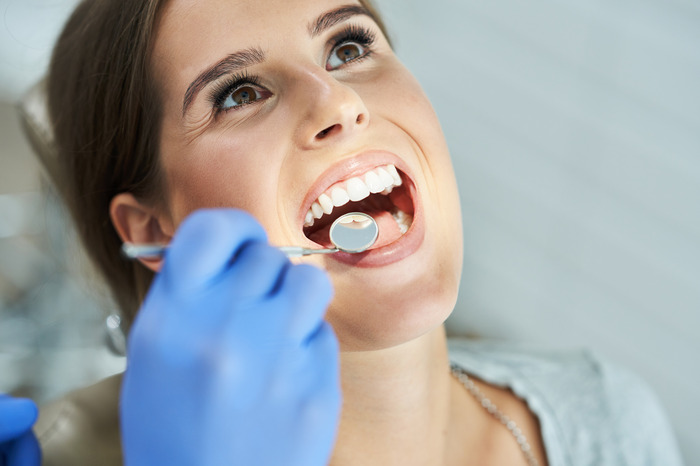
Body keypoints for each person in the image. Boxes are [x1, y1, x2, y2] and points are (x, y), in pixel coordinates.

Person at [11, 0, 683, 464]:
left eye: (348, 45)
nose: (338, 101)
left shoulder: (608, 413)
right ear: (156, 229)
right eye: (239, 92)